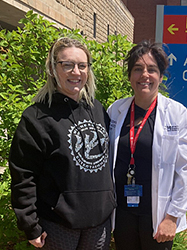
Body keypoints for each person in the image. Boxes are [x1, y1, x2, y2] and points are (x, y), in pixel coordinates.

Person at [9, 36, 116, 250]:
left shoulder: (98, 110)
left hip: (99, 225)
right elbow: (23, 175)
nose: (76, 72)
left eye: (82, 65)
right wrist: (30, 224)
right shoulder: (36, 117)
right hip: (57, 225)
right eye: (67, 65)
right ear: (52, 68)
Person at [107, 40, 187, 250]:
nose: (144, 75)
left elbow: (185, 170)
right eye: (137, 69)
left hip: (158, 215)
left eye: (152, 69)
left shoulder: (177, 114)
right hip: (122, 213)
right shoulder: (115, 110)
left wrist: (172, 217)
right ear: (130, 76)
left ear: (161, 76)